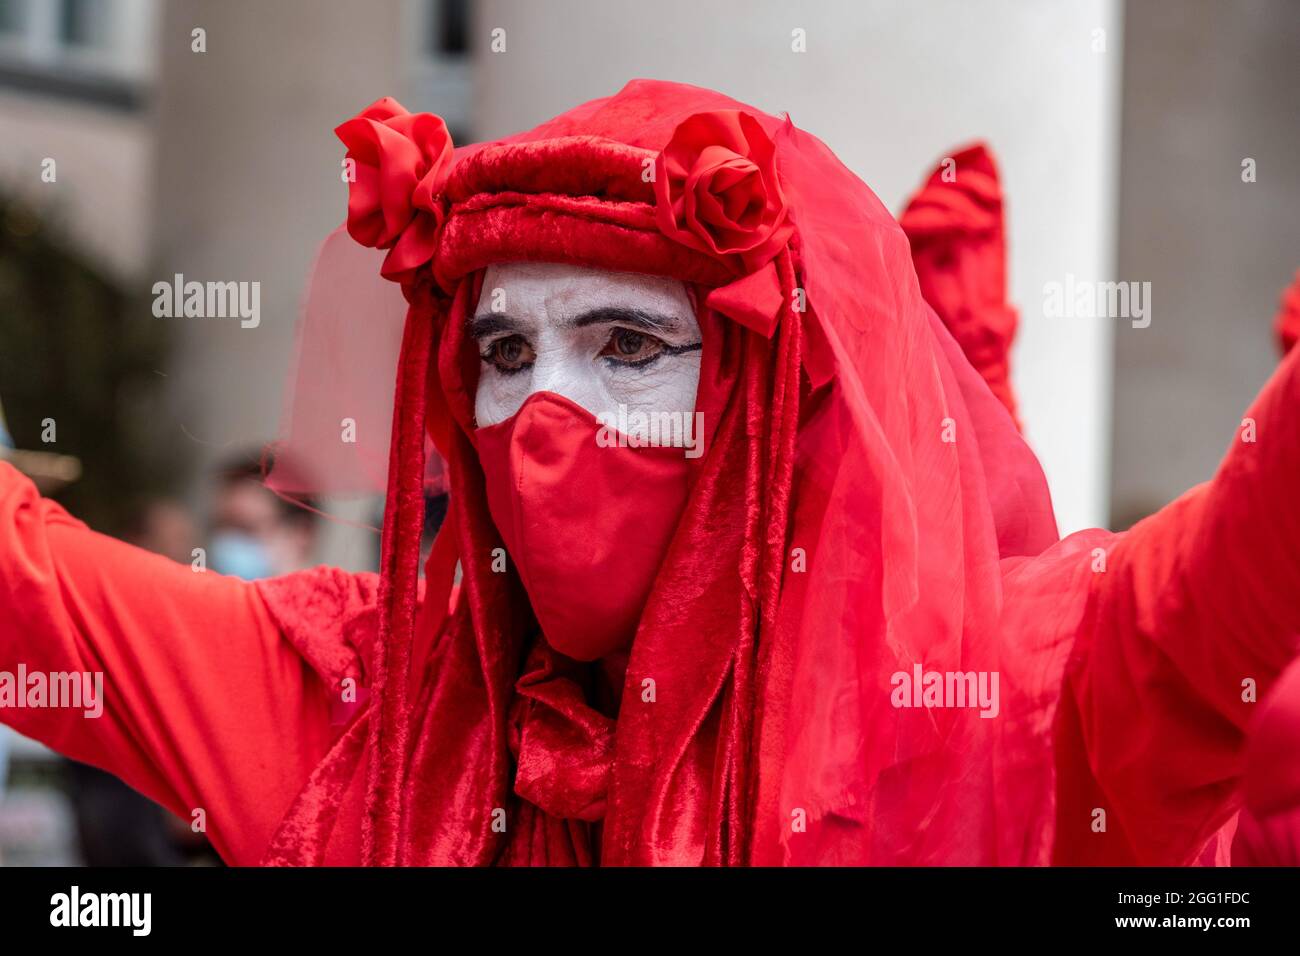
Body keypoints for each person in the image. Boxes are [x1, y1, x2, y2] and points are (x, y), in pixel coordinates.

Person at [2, 79, 1299, 866]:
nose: (543, 416)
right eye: (503, 349)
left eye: (626, 344)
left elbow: (1232, 582)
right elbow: (33, 594)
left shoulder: (1003, 693)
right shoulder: (363, 709)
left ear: (765, 395)